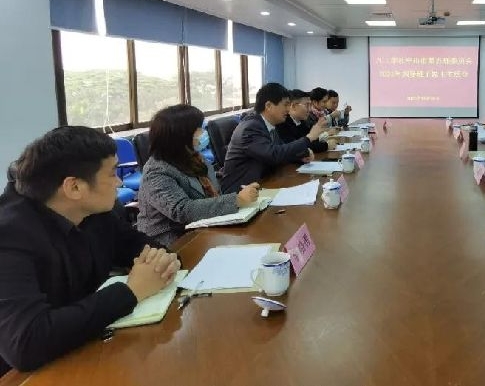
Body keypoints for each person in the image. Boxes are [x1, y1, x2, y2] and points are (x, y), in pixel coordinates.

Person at [0, 126, 180, 374]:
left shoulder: (94, 212)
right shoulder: (9, 235)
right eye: (112, 173)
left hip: (85, 346)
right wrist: (131, 291)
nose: (119, 182)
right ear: (74, 187)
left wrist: (163, 260)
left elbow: (137, 245)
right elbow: (25, 343)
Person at [136, 105, 260, 247]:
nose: (203, 132)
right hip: (170, 241)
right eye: (198, 129)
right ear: (181, 135)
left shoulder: (192, 156)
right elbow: (182, 210)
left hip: (203, 226)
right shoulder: (156, 171)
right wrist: (236, 200)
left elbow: (211, 188)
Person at [220, 83, 325, 193]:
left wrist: (302, 155)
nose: (288, 109)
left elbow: (281, 148)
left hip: (264, 182)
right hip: (241, 192)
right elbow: (273, 154)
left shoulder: (269, 124)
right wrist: (309, 138)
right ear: (269, 106)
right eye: (285, 105)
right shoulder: (250, 127)